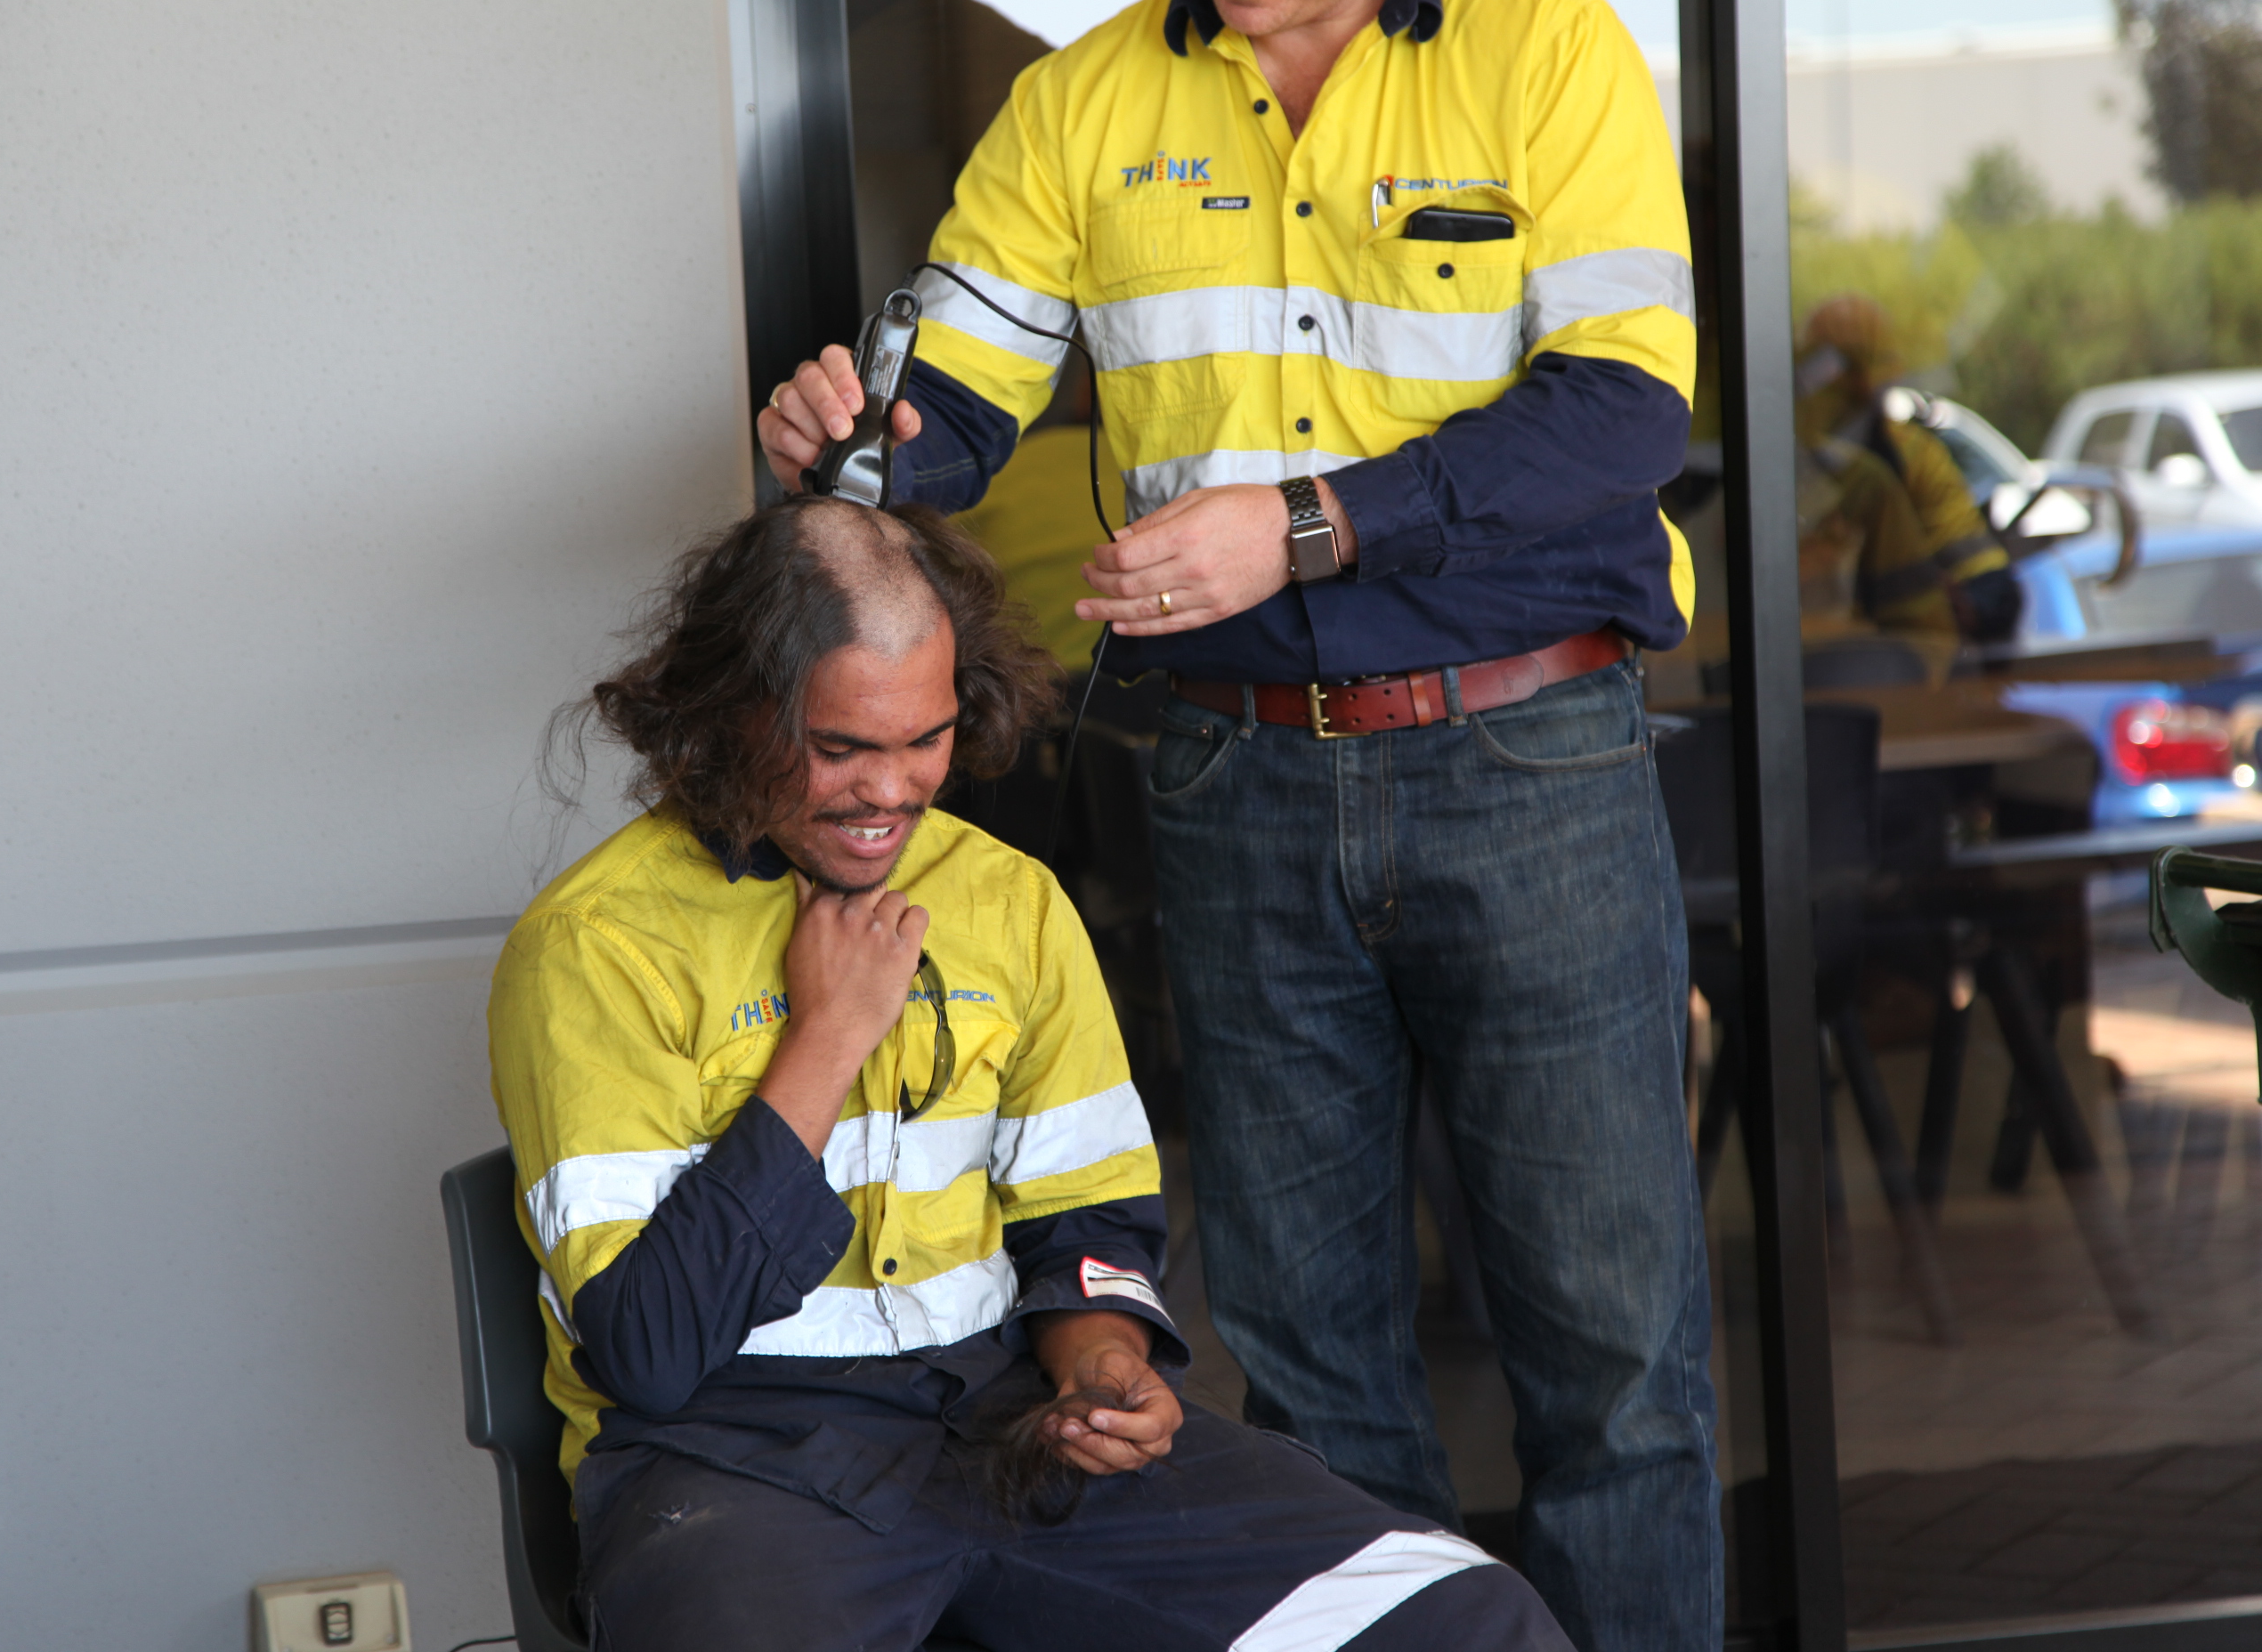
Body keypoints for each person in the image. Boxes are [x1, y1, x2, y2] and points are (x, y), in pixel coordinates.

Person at [756, 1, 1719, 1646]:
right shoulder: (1082, 100)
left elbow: (1622, 412)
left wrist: (1308, 527)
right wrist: (859, 447)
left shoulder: (1545, 47)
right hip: (1231, 775)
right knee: (1307, 1362)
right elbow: (954, 410)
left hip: (1531, 756)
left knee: (1610, 1353)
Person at [487, 497, 1574, 1652]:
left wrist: (1100, 1365)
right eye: (840, 747)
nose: (891, 794)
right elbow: (649, 1356)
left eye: (926, 739)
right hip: (737, 1460)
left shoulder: (1007, 898)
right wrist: (823, 1043)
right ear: (729, 712)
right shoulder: (596, 945)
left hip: (1010, 1427)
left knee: (1466, 1618)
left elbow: (1083, 1217)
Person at [1796, 292, 2021, 643]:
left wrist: (1967, 607)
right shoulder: (1801, 459)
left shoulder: (1907, 457)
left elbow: (1990, 585)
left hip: (1894, 660)